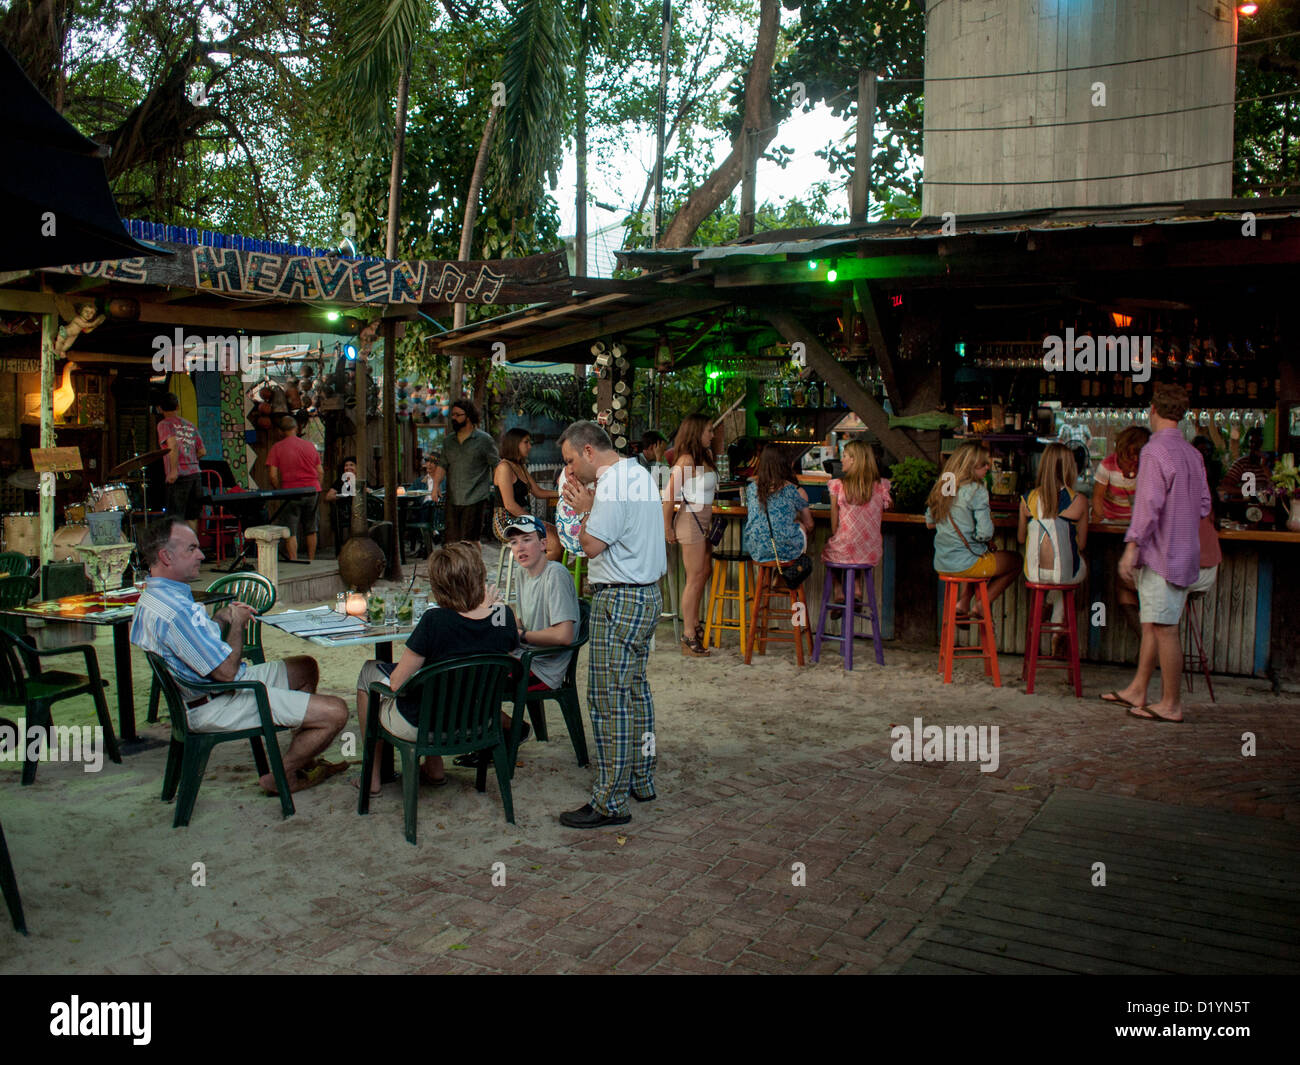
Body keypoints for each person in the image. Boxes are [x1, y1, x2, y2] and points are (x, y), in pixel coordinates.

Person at [130, 517, 348, 795]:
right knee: (336, 712)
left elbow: (191, 646)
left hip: (205, 692)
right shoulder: (177, 612)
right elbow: (227, 674)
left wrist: (219, 620)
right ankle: (283, 775)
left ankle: (304, 755)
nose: (201, 555)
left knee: (305, 667)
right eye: (191, 549)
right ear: (166, 556)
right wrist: (237, 625)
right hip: (217, 700)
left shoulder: (152, 599)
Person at [557, 420, 665, 829]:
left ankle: (610, 801)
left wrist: (585, 510)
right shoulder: (636, 473)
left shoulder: (613, 485)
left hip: (619, 596)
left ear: (588, 451)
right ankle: (641, 777)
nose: (569, 472)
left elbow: (590, 545)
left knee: (608, 699)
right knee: (635, 689)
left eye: (570, 461)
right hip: (647, 593)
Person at [352, 542, 520, 796]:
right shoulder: (503, 616)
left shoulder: (434, 621)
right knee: (442, 679)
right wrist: (487, 609)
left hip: (425, 727)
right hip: (480, 722)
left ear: (438, 585)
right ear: (480, 577)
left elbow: (397, 684)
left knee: (370, 673)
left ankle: (372, 776)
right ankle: (434, 768)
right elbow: (492, 652)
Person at [1104, 384, 1211, 723]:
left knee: (1165, 629)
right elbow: (1205, 505)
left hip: (1162, 554)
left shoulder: (1154, 451)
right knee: (1154, 623)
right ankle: (1138, 688)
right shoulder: (1193, 454)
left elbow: (1148, 508)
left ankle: (1171, 704)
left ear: (1153, 409)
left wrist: (1131, 547)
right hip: (1186, 552)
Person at [924, 442, 1020, 617]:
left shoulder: (943, 487)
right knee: (1016, 560)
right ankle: (982, 605)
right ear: (970, 467)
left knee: (978, 556)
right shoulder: (977, 491)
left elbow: (930, 523)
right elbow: (984, 534)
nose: (987, 467)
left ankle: (963, 603)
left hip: (943, 563)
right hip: (967, 564)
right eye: (983, 464)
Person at [1018, 443, 1089, 655]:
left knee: (1059, 578)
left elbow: (1021, 539)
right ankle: (1058, 626)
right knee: (1076, 568)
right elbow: (1082, 544)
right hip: (1065, 575)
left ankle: (1051, 607)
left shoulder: (1026, 499)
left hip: (1034, 574)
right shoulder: (1079, 501)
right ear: (1070, 467)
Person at [662, 414, 719, 656]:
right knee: (695, 577)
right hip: (690, 521)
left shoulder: (705, 456)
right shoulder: (685, 461)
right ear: (697, 432)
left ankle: (694, 624)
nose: (712, 435)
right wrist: (667, 527)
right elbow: (669, 496)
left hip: (703, 522)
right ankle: (688, 635)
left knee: (704, 573)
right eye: (709, 430)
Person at [504, 514, 580, 689]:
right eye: (514, 542)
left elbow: (564, 636)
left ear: (543, 544)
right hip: (524, 656)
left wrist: (522, 636)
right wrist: (495, 614)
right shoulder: (521, 572)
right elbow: (522, 622)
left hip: (543, 668)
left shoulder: (555, 574)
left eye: (527, 539)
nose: (520, 547)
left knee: (477, 689)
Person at [822, 440, 891, 603]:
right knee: (857, 544)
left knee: (831, 549)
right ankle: (857, 587)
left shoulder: (838, 485)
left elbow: (834, 526)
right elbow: (887, 506)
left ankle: (839, 590)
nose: (842, 460)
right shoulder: (881, 486)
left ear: (854, 459)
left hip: (848, 549)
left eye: (844, 456)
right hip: (871, 551)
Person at [492, 427, 562, 561]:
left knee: (560, 536)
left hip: (522, 518)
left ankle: (550, 578)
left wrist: (563, 493)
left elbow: (538, 492)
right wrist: (536, 521)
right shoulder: (504, 467)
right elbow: (510, 505)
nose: (530, 446)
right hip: (506, 521)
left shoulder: (520, 467)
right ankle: (537, 578)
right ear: (515, 443)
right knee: (553, 544)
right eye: (526, 442)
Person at [742, 445, 813, 565]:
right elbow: (810, 525)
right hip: (786, 552)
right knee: (801, 526)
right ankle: (783, 577)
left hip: (756, 550)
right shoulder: (794, 490)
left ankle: (775, 577)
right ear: (787, 463)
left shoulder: (751, 488)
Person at [266, 415, 324, 561]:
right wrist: (318, 488)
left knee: (291, 530)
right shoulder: (309, 446)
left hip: (290, 491)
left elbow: (273, 475)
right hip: (312, 489)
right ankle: (311, 559)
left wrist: (279, 489)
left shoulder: (277, 448)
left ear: (280, 431)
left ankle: (294, 560)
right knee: (311, 528)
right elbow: (320, 471)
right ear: (296, 428)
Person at [441, 398, 499, 543]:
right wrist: (435, 486)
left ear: (468, 416)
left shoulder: (484, 440)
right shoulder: (449, 442)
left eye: (458, 415)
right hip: (453, 498)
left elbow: (496, 465)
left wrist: (499, 488)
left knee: (469, 541)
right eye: (452, 415)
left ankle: (472, 565)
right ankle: (456, 566)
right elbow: (442, 465)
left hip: (475, 498)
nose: (454, 418)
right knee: (451, 542)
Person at [157, 392, 205, 533]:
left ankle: (178, 552)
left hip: (180, 476)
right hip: (195, 474)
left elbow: (172, 445)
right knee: (192, 516)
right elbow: (202, 451)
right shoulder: (190, 425)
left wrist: (173, 470)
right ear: (177, 406)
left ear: (160, 408)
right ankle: (192, 549)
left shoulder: (164, 424)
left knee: (175, 518)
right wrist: (191, 459)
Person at [1092, 426, 1150, 524]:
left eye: (1139, 455)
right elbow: (1098, 497)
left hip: (1137, 523)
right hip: (1109, 521)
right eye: (1130, 455)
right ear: (1121, 450)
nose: (1135, 459)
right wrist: (1101, 521)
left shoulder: (1148, 467)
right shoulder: (1107, 465)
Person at [1220, 427, 1272, 502]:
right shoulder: (1241, 463)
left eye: (1258, 443)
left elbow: (1276, 487)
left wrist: (1264, 466)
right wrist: (1248, 492)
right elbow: (1226, 486)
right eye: (1252, 442)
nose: (1254, 446)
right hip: (1247, 505)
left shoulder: (1272, 463)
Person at [323, 456, 357, 550]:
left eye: (351, 465)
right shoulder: (341, 481)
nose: (348, 467)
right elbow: (328, 496)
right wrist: (341, 495)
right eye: (346, 465)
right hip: (345, 512)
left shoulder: (361, 480)